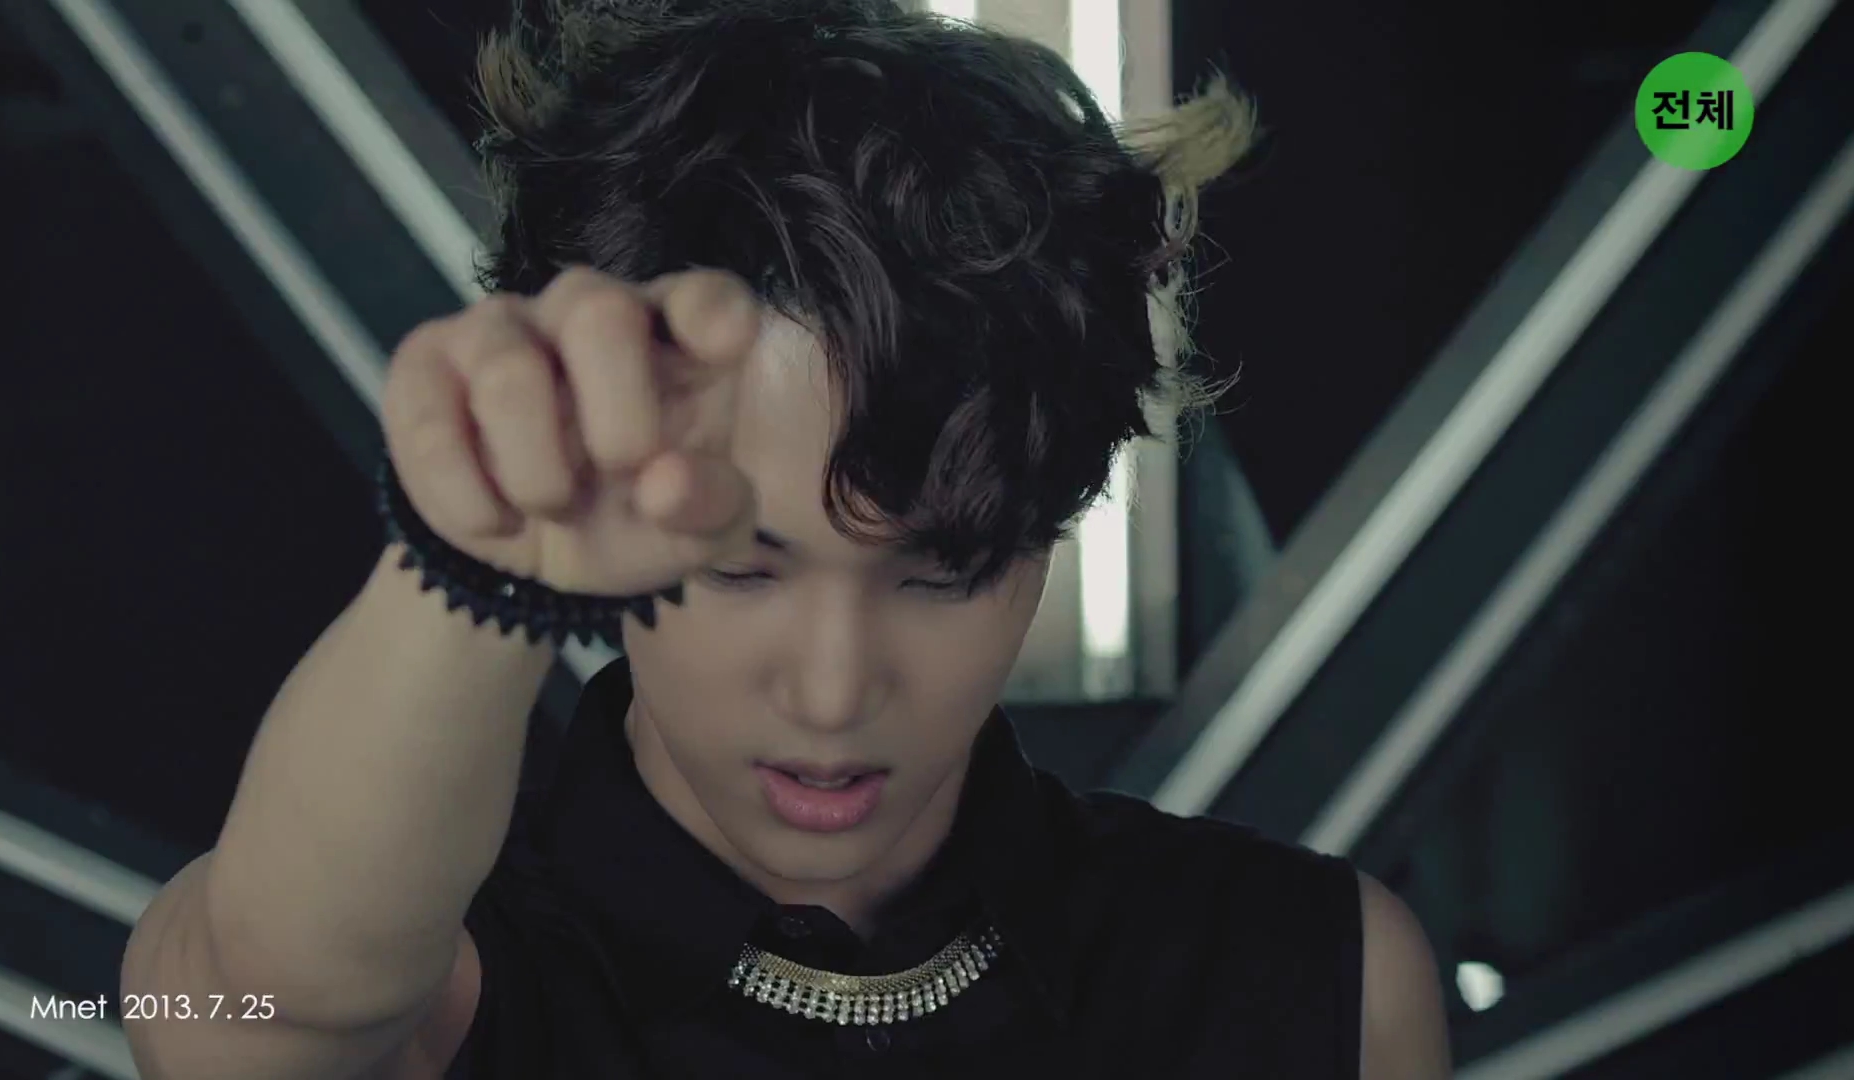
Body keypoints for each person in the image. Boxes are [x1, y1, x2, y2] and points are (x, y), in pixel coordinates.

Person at [119, 0, 1450, 1076]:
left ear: (1054, 528)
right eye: (741, 567)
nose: (830, 693)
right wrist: (468, 573)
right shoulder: (461, 971)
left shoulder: (1313, 982)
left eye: (943, 574)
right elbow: (253, 1021)